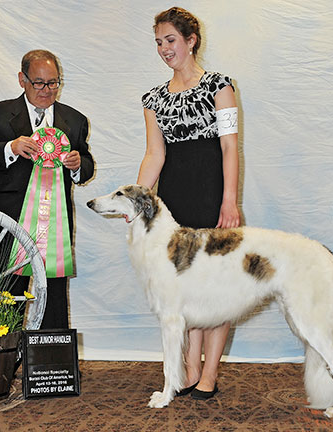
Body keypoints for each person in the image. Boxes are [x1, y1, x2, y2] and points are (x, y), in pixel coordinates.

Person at [137, 7, 240, 400]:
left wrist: (229, 201)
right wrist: (137, 201)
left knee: (217, 287)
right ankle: (190, 367)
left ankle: (209, 373)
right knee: (183, 289)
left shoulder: (220, 86)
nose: (164, 49)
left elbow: (230, 146)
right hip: (173, 200)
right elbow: (154, 155)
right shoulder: (152, 98)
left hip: (213, 193)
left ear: (190, 41)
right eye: (159, 42)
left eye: (171, 40)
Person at [0, 49, 95, 329]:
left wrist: (76, 165)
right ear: (21, 79)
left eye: (53, 82)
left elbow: (86, 165)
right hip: (10, 224)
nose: (47, 90)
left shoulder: (75, 120)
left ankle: (52, 368)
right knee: (5, 303)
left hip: (55, 231)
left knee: (54, 302)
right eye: (39, 82)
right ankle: (1, 368)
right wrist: (9, 147)